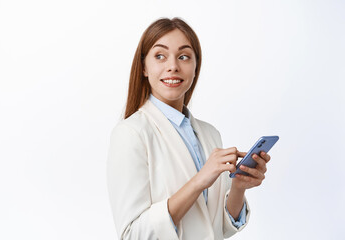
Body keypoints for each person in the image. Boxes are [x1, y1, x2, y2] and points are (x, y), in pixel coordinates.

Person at [106, 17, 271, 240]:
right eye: (160, 56)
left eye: (183, 56)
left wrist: (239, 187)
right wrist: (199, 180)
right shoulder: (131, 134)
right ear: (144, 67)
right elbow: (133, 234)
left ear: (196, 67)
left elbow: (218, 228)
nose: (173, 66)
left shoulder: (210, 134)